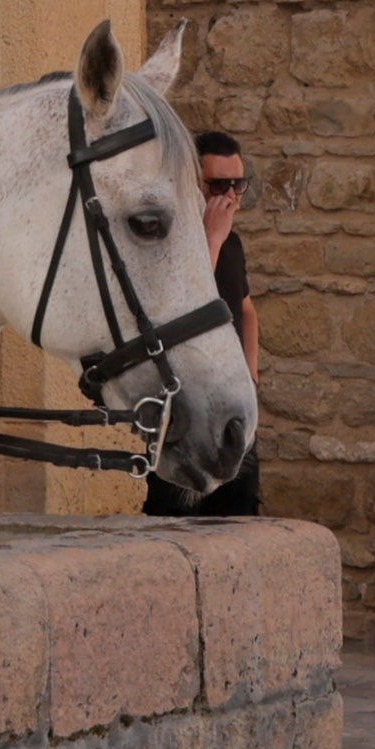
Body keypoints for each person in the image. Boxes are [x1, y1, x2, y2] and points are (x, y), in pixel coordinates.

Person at [144, 119, 270, 517]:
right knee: (173, 517)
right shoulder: (168, 243)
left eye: (238, 185)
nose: (230, 197)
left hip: (230, 400)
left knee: (239, 513)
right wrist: (210, 238)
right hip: (184, 408)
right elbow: (179, 304)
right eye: (218, 186)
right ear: (190, 183)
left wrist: (251, 378)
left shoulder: (232, 242)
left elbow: (246, 310)